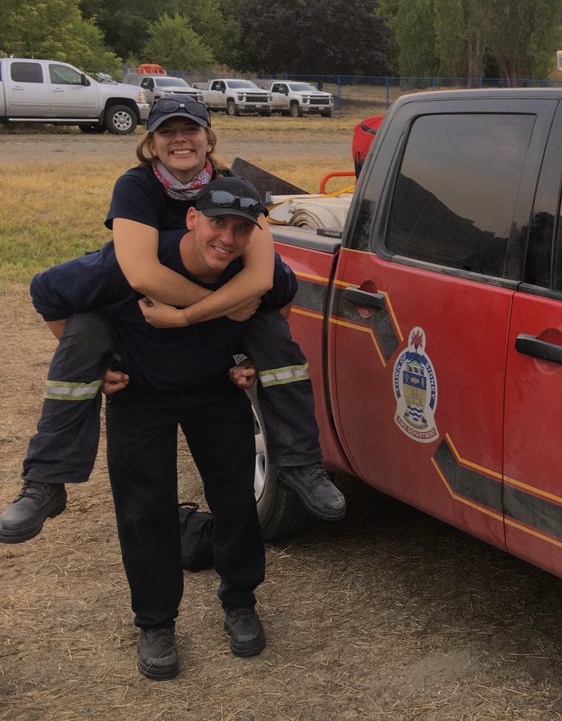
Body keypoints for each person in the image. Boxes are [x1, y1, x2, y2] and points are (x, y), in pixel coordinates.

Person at [0, 97, 344, 544]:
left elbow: (266, 283)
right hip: (143, 299)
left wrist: (239, 348)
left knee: (272, 328)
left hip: (205, 313)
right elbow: (135, 274)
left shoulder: (234, 191)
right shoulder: (137, 192)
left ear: (208, 138)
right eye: (167, 131)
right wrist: (210, 311)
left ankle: (300, 464)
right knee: (85, 332)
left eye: (191, 130)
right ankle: (46, 480)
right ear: (151, 143)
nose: (180, 139)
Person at [31, 177, 287, 678]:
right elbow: (48, 293)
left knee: (235, 499)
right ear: (192, 219)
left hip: (216, 392)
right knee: (144, 510)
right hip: (141, 397)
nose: (228, 239)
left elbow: (276, 303)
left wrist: (245, 358)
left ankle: (240, 602)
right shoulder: (126, 266)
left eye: (240, 230)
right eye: (217, 224)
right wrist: (94, 367)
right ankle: (155, 623)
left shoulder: (244, 266)